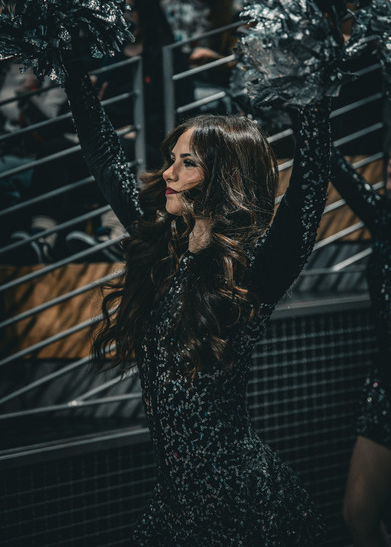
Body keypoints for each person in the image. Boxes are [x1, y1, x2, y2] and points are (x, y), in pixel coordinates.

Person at [57, 40, 332, 543]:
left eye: (187, 163)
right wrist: (70, 61)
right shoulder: (164, 247)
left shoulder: (254, 267)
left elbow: (310, 184)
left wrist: (308, 87)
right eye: (172, 159)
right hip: (174, 502)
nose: (168, 172)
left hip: (240, 504)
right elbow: (104, 157)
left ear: (223, 176)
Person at [330, 125, 391, 545]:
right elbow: (338, 170)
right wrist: (304, 111)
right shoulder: (387, 220)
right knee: (357, 514)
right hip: (387, 391)